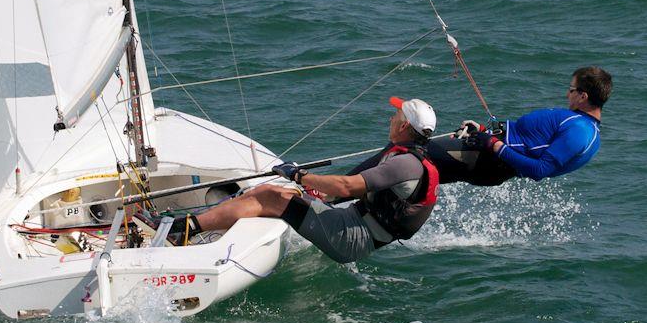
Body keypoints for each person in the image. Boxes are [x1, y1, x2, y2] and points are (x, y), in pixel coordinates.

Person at [145, 97, 440, 263]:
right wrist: (315, 190)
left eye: (394, 116)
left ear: (404, 126)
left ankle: (183, 231)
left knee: (271, 197)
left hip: (351, 237)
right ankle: (190, 226)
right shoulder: (407, 157)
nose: (389, 119)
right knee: (268, 191)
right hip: (353, 225)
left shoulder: (405, 165)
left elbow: (346, 187)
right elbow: (350, 192)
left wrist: (299, 175)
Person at [426, 66, 612, 186]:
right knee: (419, 171)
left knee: (410, 154)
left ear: (583, 96)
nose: (567, 94)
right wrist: (483, 131)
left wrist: (492, 144)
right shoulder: (579, 125)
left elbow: (540, 170)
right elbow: (527, 142)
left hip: (486, 159)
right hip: (487, 155)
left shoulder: (580, 131)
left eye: (571, 90)